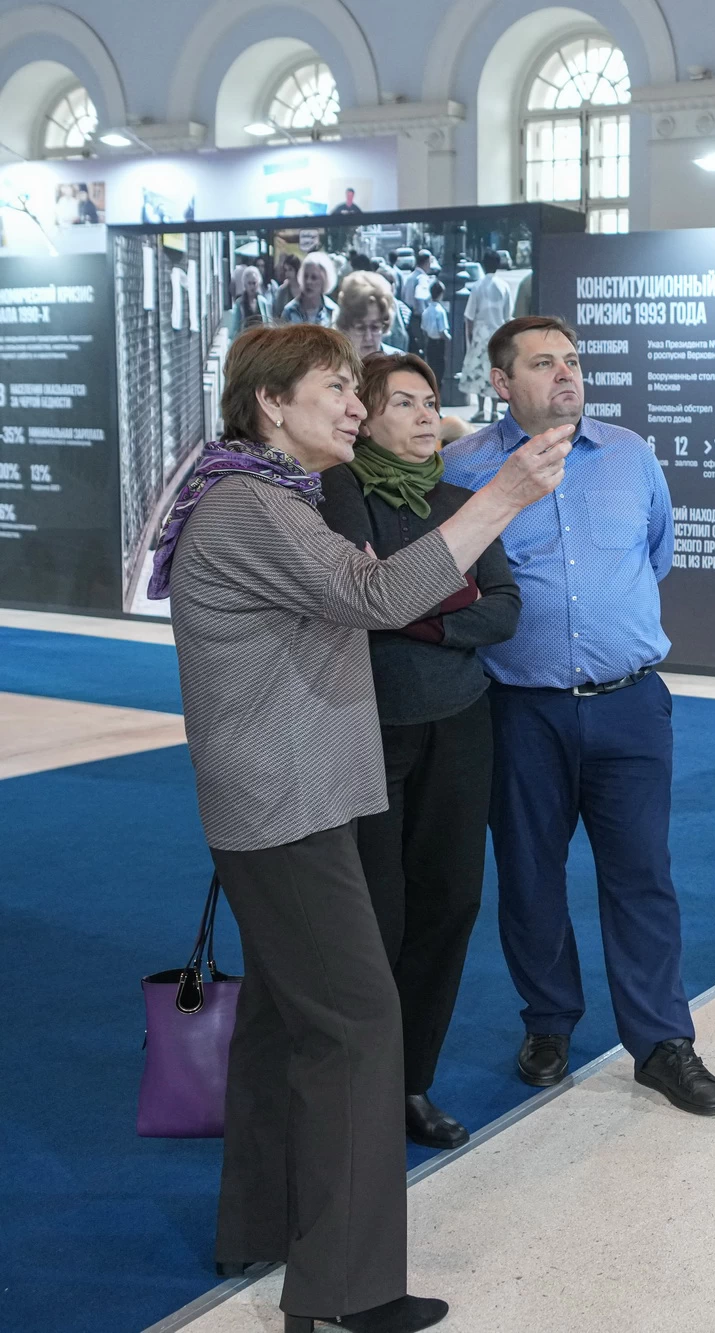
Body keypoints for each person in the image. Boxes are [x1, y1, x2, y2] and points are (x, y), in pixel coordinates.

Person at [152, 323, 569, 1332]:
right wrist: (505, 494)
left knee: (287, 1020)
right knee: (355, 1025)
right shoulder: (251, 503)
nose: (355, 405)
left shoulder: (264, 495)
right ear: (270, 404)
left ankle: (262, 1225)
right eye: (336, 389)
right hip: (285, 805)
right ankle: (345, 1290)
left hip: (291, 797)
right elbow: (376, 594)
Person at [441, 315, 715, 1116]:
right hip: (517, 711)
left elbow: (655, 553)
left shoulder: (631, 455)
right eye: (543, 363)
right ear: (502, 382)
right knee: (530, 877)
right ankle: (548, 1021)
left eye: (571, 360)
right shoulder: (463, 468)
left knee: (643, 877)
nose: (565, 373)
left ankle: (663, 1042)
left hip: (629, 704)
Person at [319, 352, 520, 1153]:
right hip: (368, 725)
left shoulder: (461, 501)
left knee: (450, 901)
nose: (426, 414)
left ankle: (410, 1079)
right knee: (376, 913)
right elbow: (359, 603)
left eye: (431, 401)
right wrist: (435, 598)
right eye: (403, 402)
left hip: (461, 721)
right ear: (365, 416)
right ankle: (357, 1084)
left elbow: (502, 608)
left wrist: (417, 612)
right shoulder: (338, 492)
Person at [457, 251, 514, 421]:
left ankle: (481, 409)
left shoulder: (477, 286)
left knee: (479, 373)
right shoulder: (504, 286)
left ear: (483, 264)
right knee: (497, 371)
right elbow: (508, 315)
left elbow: (469, 316)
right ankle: (495, 411)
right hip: (498, 333)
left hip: (480, 334)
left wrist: (469, 337)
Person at [335, 273, 404, 359]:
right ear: (346, 328)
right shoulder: (332, 364)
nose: (368, 337)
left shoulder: (399, 363)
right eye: (360, 328)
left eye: (375, 327)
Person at [281, 252, 338, 326]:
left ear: (324, 280)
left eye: (314, 277)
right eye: (305, 276)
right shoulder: (289, 311)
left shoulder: (333, 312)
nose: (308, 282)